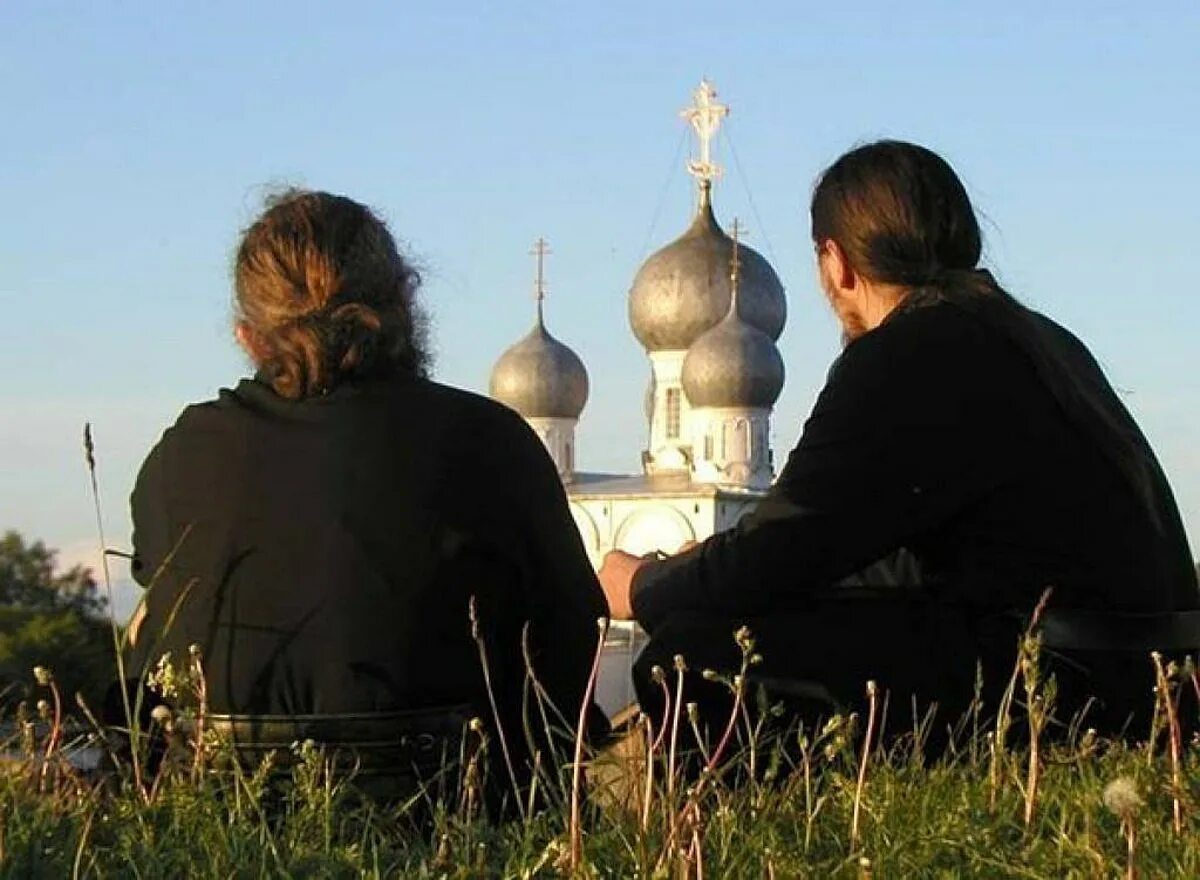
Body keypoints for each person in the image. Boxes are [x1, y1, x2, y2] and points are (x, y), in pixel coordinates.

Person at [599, 141, 1199, 748]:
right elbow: (882, 548)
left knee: (693, 653)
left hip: (1060, 687)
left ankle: (737, 839)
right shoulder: (1041, 341)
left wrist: (644, 585)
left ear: (836, 264)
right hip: (1149, 678)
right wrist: (711, 559)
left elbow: (781, 553)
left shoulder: (907, 352)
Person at [123, 189, 609, 798]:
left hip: (226, 828)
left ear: (249, 335)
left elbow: (160, 623)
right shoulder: (489, 443)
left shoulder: (182, 455)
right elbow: (573, 650)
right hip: (461, 826)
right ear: (405, 303)